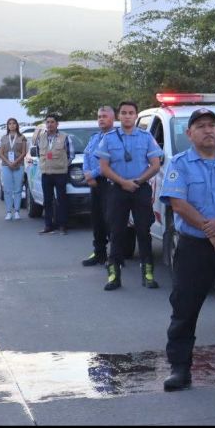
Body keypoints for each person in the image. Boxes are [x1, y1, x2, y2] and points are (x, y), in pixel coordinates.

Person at [159, 108, 215, 391]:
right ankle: (180, 369)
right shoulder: (180, 164)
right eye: (200, 126)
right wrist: (212, 232)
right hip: (193, 248)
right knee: (184, 308)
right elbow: (178, 204)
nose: (207, 130)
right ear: (189, 134)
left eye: (212, 126)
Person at [96, 101, 163, 291]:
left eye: (131, 113)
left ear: (135, 116)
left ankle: (148, 273)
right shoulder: (109, 139)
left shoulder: (146, 137)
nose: (127, 116)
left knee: (144, 230)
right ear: (119, 116)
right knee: (117, 232)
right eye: (124, 113)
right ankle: (114, 274)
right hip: (117, 189)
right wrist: (123, 182)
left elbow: (155, 165)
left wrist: (138, 181)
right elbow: (104, 167)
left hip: (140, 189)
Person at [81, 106, 116, 267]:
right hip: (94, 183)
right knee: (97, 219)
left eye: (104, 116)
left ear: (112, 119)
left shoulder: (116, 138)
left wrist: (92, 174)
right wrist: (88, 175)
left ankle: (115, 257)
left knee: (110, 220)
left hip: (109, 182)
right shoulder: (95, 137)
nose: (101, 119)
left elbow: (110, 162)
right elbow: (87, 156)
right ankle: (99, 252)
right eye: (99, 116)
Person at [34, 114, 74, 235]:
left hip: (60, 173)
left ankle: (63, 225)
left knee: (61, 200)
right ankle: (48, 225)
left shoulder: (65, 137)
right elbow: (37, 153)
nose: (50, 124)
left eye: (52, 122)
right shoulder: (41, 137)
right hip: (46, 173)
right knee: (47, 200)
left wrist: (63, 164)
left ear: (57, 124)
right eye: (48, 122)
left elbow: (71, 154)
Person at [0, 118, 28, 220]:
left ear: (17, 125)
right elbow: (1, 153)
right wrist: (8, 162)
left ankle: (16, 211)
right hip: (6, 165)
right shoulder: (4, 138)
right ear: (7, 126)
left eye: (14, 123)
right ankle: (8, 211)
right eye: (9, 124)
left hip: (18, 165)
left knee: (18, 189)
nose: (12, 125)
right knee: (7, 189)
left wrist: (15, 162)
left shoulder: (22, 137)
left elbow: (24, 152)